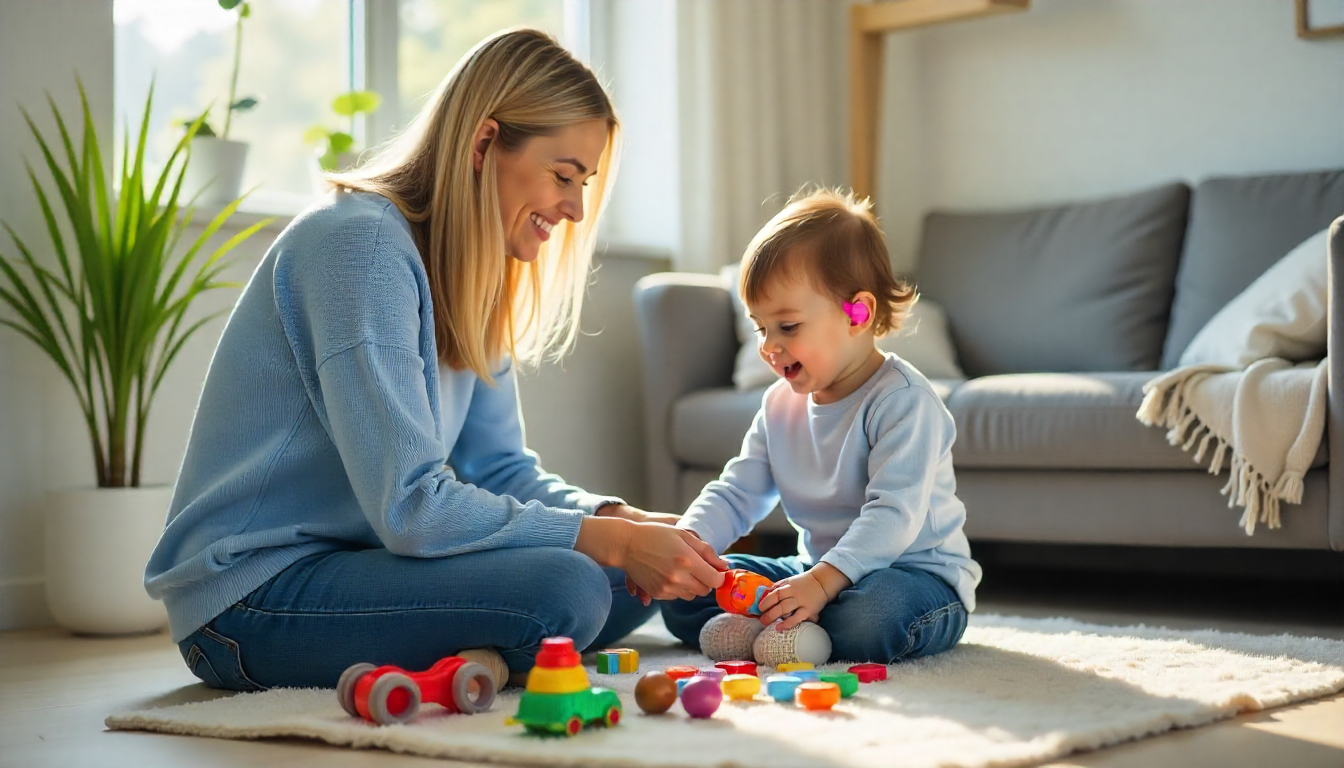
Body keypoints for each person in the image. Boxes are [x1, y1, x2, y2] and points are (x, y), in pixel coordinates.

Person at [145, 29, 726, 692]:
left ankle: (484, 650)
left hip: (362, 565)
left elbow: (499, 469)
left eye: (584, 183)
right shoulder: (359, 246)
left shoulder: (473, 271)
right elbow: (412, 508)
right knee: (570, 586)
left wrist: (615, 520)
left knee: (631, 573)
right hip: (250, 601)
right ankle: (490, 646)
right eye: (564, 176)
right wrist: (604, 541)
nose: (575, 208)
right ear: (484, 144)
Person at [661, 188, 982, 663]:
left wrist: (820, 584)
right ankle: (791, 623)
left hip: (913, 575)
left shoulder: (903, 401)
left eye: (787, 326)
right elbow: (737, 492)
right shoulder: (777, 405)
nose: (768, 347)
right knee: (685, 600)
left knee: (871, 618)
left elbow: (892, 516)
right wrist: (687, 547)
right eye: (759, 327)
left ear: (858, 313)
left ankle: (788, 623)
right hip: (814, 570)